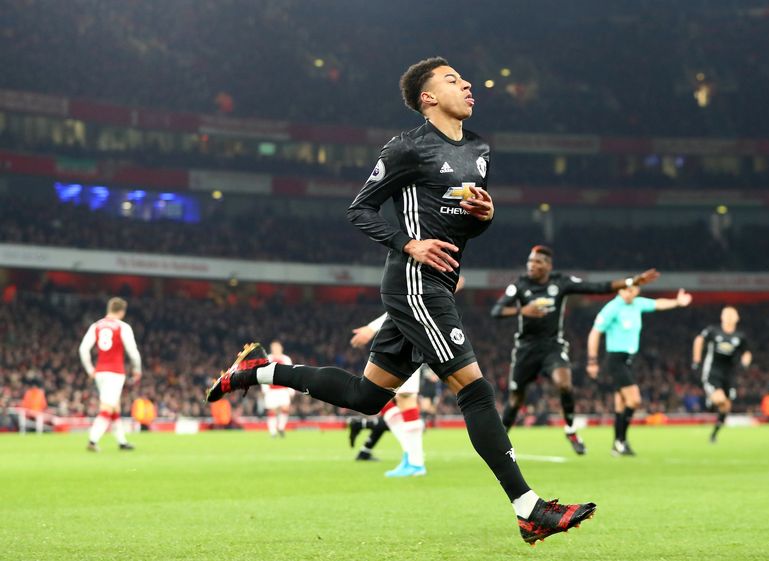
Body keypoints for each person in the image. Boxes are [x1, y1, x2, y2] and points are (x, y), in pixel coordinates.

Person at [207, 56, 595, 545]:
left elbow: (466, 222)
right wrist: (407, 243)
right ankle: (528, 508)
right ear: (428, 97)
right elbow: (360, 209)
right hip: (414, 282)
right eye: (453, 80)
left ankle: (260, 370)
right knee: (474, 390)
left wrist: (487, 214)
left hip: (440, 283)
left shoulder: (479, 149)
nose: (468, 84)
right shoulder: (407, 146)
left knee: (365, 397)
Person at [492, 245, 659, 454]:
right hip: (525, 349)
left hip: (552, 346)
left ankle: (570, 429)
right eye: (530, 261)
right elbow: (496, 311)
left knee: (565, 384)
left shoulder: (561, 282)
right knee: (516, 399)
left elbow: (597, 287)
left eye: (537, 262)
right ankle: (499, 442)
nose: (531, 265)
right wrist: (522, 310)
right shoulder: (519, 285)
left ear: (548, 265)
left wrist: (630, 281)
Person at [586, 286, 692, 456]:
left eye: (633, 290)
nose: (630, 293)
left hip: (629, 359)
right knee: (634, 400)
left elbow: (658, 304)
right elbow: (595, 333)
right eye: (626, 290)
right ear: (620, 291)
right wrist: (592, 361)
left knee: (621, 404)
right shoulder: (613, 308)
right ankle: (621, 441)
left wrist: (677, 302)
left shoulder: (637, 304)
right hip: (615, 359)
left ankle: (618, 444)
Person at [349, 312, 428, 476]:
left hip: (410, 342)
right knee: (387, 398)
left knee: (405, 398)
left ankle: (415, 462)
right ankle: (411, 456)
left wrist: (372, 328)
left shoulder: (420, 288)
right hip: (404, 340)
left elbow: (404, 304)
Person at [79, 297, 142, 452]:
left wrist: (89, 369)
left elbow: (83, 349)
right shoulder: (122, 327)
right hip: (115, 372)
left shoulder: (96, 326)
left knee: (114, 407)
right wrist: (137, 369)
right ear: (122, 311)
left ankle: (122, 442)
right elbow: (132, 351)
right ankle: (92, 441)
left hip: (100, 371)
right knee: (107, 407)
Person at [692, 306, 752, 443]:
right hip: (713, 372)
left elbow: (747, 352)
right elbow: (699, 340)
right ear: (722, 317)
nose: (730, 317)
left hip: (729, 374)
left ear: (737, 318)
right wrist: (696, 360)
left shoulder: (740, 337)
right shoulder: (713, 331)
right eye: (727, 314)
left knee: (726, 406)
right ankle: (710, 400)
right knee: (719, 399)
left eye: (733, 314)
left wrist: (745, 363)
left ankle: (714, 434)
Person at [261, 340, 295, 438]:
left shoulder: (286, 359)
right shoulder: (268, 358)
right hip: (271, 390)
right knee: (272, 411)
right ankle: (273, 432)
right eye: (274, 347)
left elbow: (290, 374)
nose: (275, 349)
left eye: (277, 347)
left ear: (281, 348)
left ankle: (281, 427)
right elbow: (263, 373)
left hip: (283, 389)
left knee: (285, 408)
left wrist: (291, 388)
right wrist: (265, 387)